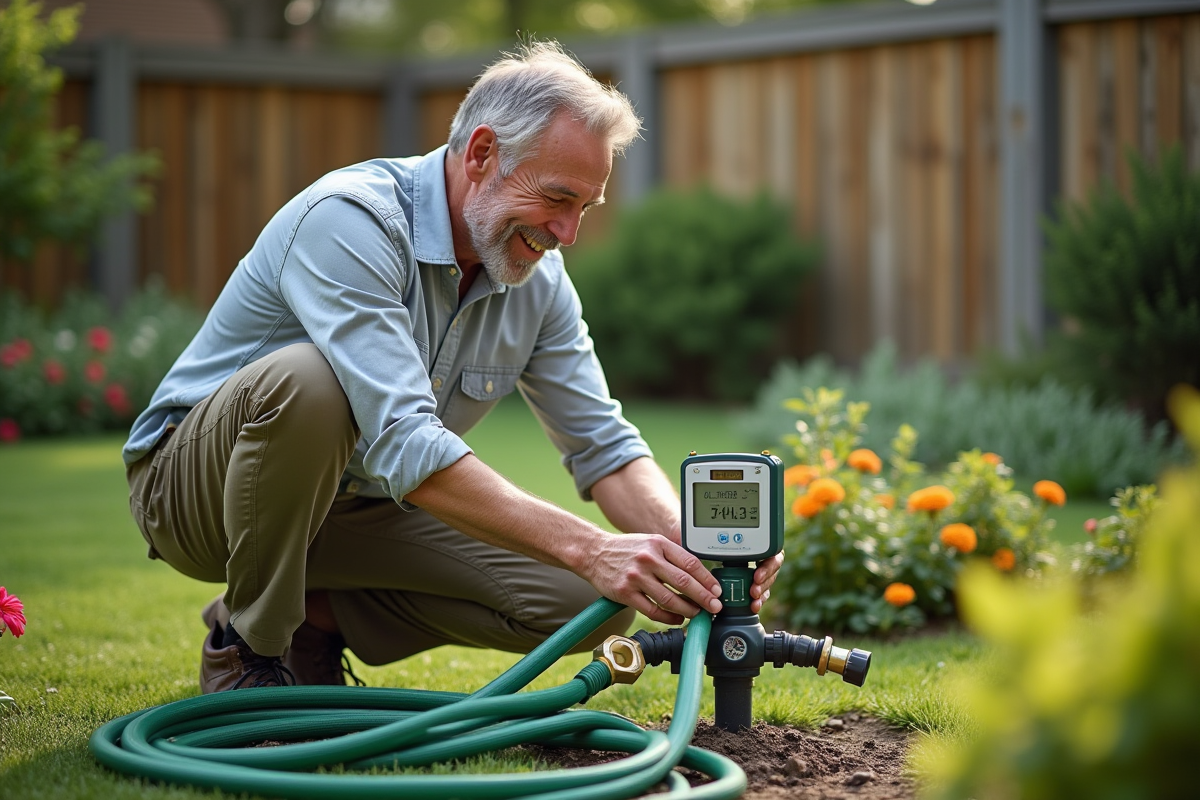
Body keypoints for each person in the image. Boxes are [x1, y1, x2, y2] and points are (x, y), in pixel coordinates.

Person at [123, 41, 783, 693]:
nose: (568, 233)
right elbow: (406, 438)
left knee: (590, 600)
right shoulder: (352, 221)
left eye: (585, 207)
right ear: (482, 153)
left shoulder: (538, 282)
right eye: (557, 198)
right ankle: (247, 651)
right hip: (197, 493)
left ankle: (312, 622)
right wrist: (589, 543)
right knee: (314, 382)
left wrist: (690, 546)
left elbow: (602, 444)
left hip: (355, 506)